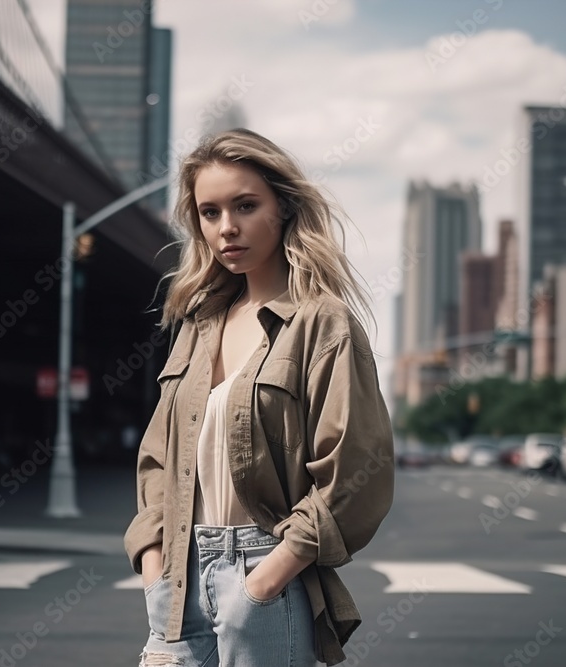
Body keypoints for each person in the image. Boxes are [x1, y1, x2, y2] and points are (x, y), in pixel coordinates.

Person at [124, 128, 395, 667]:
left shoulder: (322, 323)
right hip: (176, 582)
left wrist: (265, 580)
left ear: (284, 208)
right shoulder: (198, 324)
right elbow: (158, 458)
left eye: (245, 206)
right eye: (210, 212)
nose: (227, 227)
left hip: (263, 577)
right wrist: (154, 565)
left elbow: (356, 469)